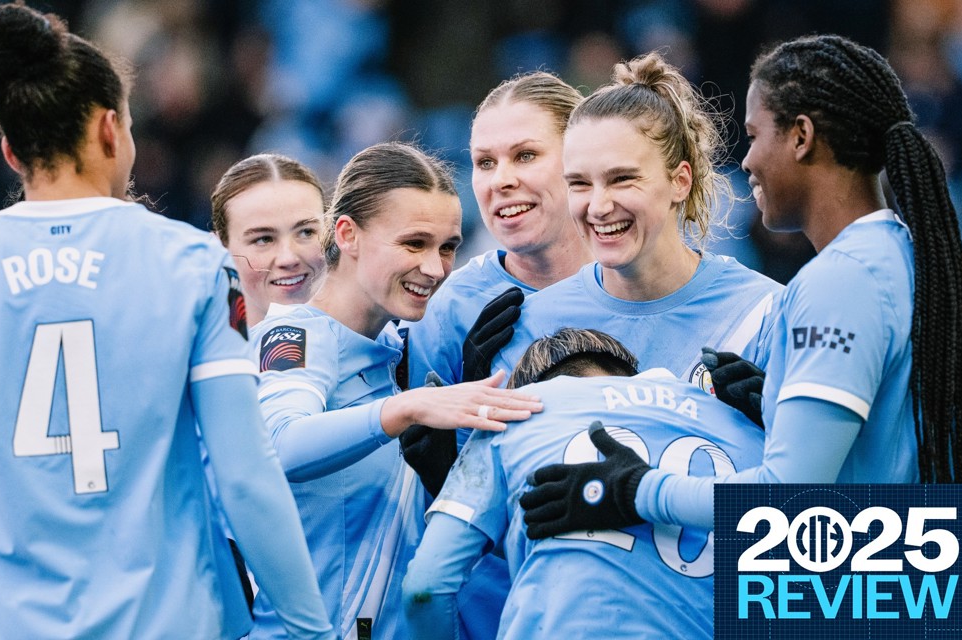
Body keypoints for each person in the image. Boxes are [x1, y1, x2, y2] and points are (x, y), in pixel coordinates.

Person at [518, 34, 962, 636]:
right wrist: (773, 405)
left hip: (877, 610)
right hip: (906, 593)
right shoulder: (895, 252)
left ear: (800, 137)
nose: (745, 161)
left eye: (754, 135)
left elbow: (785, 494)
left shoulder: (842, 278)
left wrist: (636, 490)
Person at [0, 5, 332, 639]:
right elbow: (246, 476)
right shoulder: (194, 264)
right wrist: (313, 630)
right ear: (111, 129)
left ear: (10, 152)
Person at [247, 141, 544, 640]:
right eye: (414, 244)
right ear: (347, 234)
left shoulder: (400, 348)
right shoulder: (296, 335)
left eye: (448, 246)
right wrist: (406, 407)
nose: (435, 268)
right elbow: (277, 446)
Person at [402, 328, 765, 639]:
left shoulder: (514, 413)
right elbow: (810, 597)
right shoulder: (746, 426)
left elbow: (426, 588)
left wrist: (451, 482)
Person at [397, 70, 592, 640]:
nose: (500, 180)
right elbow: (424, 518)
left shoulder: (646, 284)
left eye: (525, 155)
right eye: (485, 163)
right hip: (490, 615)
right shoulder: (447, 304)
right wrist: (444, 465)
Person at [490, 53, 781, 399]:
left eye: (622, 179)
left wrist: (776, 422)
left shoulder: (763, 314)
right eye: (579, 183)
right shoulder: (532, 324)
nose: (598, 207)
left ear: (680, 181)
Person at [211, 153, 327, 326]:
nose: (288, 259)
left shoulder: (377, 343)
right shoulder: (191, 349)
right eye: (264, 239)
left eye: (306, 232)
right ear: (220, 249)